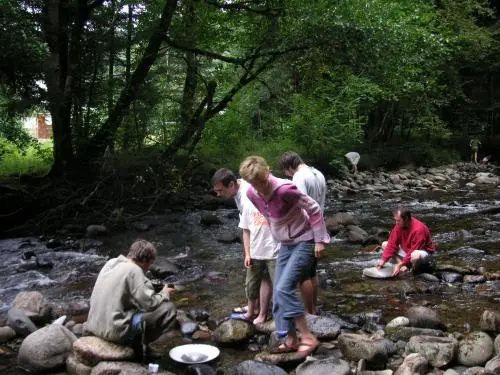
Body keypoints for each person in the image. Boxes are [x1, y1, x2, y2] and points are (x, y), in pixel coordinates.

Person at [239, 155, 330, 356]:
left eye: (262, 181)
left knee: (283, 288)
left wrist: (320, 240)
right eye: (254, 184)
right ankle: (290, 339)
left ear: (268, 172)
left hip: (304, 240)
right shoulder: (251, 194)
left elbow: (314, 209)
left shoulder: (285, 189)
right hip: (285, 245)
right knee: (279, 292)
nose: (260, 187)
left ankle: (307, 337)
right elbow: (269, 216)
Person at [86, 239, 177, 359]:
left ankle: (138, 345)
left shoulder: (112, 262)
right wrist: (164, 293)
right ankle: (138, 346)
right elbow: (149, 304)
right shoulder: (134, 270)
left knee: (136, 307)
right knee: (168, 308)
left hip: (93, 325)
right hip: (114, 332)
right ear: (144, 260)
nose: (149, 268)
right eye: (150, 263)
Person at [211, 168, 272, 319]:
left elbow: (252, 226)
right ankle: (254, 308)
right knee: (258, 278)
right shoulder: (240, 190)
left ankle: (260, 313)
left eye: (220, 190)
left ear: (231, 184)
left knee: (264, 278)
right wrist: (248, 252)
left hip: (267, 242)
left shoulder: (246, 195)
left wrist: (249, 251)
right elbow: (246, 227)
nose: (218, 194)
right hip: (258, 241)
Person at [279, 151, 326, 314]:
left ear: (289, 167)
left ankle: (308, 312)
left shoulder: (299, 177)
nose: (286, 174)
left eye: (285, 171)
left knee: (303, 276)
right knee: (312, 272)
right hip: (318, 225)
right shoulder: (318, 173)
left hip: (305, 230)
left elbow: (301, 204)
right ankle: (313, 307)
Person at [231, 198, 279, 324]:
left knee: (278, 287)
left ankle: (265, 315)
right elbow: (245, 230)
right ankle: (250, 312)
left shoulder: (276, 200)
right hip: (255, 252)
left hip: (275, 252)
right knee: (251, 285)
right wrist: (247, 254)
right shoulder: (248, 204)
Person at [376, 207, 436, 277]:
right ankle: (404, 267)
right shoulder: (398, 226)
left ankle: (413, 272)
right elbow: (391, 244)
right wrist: (382, 261)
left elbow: (413, 250)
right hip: (407, 251)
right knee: (385, 244)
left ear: (406, 218)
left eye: (398, 221)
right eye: (396, 220)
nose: (396, 223)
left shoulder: (419, 229)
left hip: (423, 254)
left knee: (415, 255)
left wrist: (400, 264)